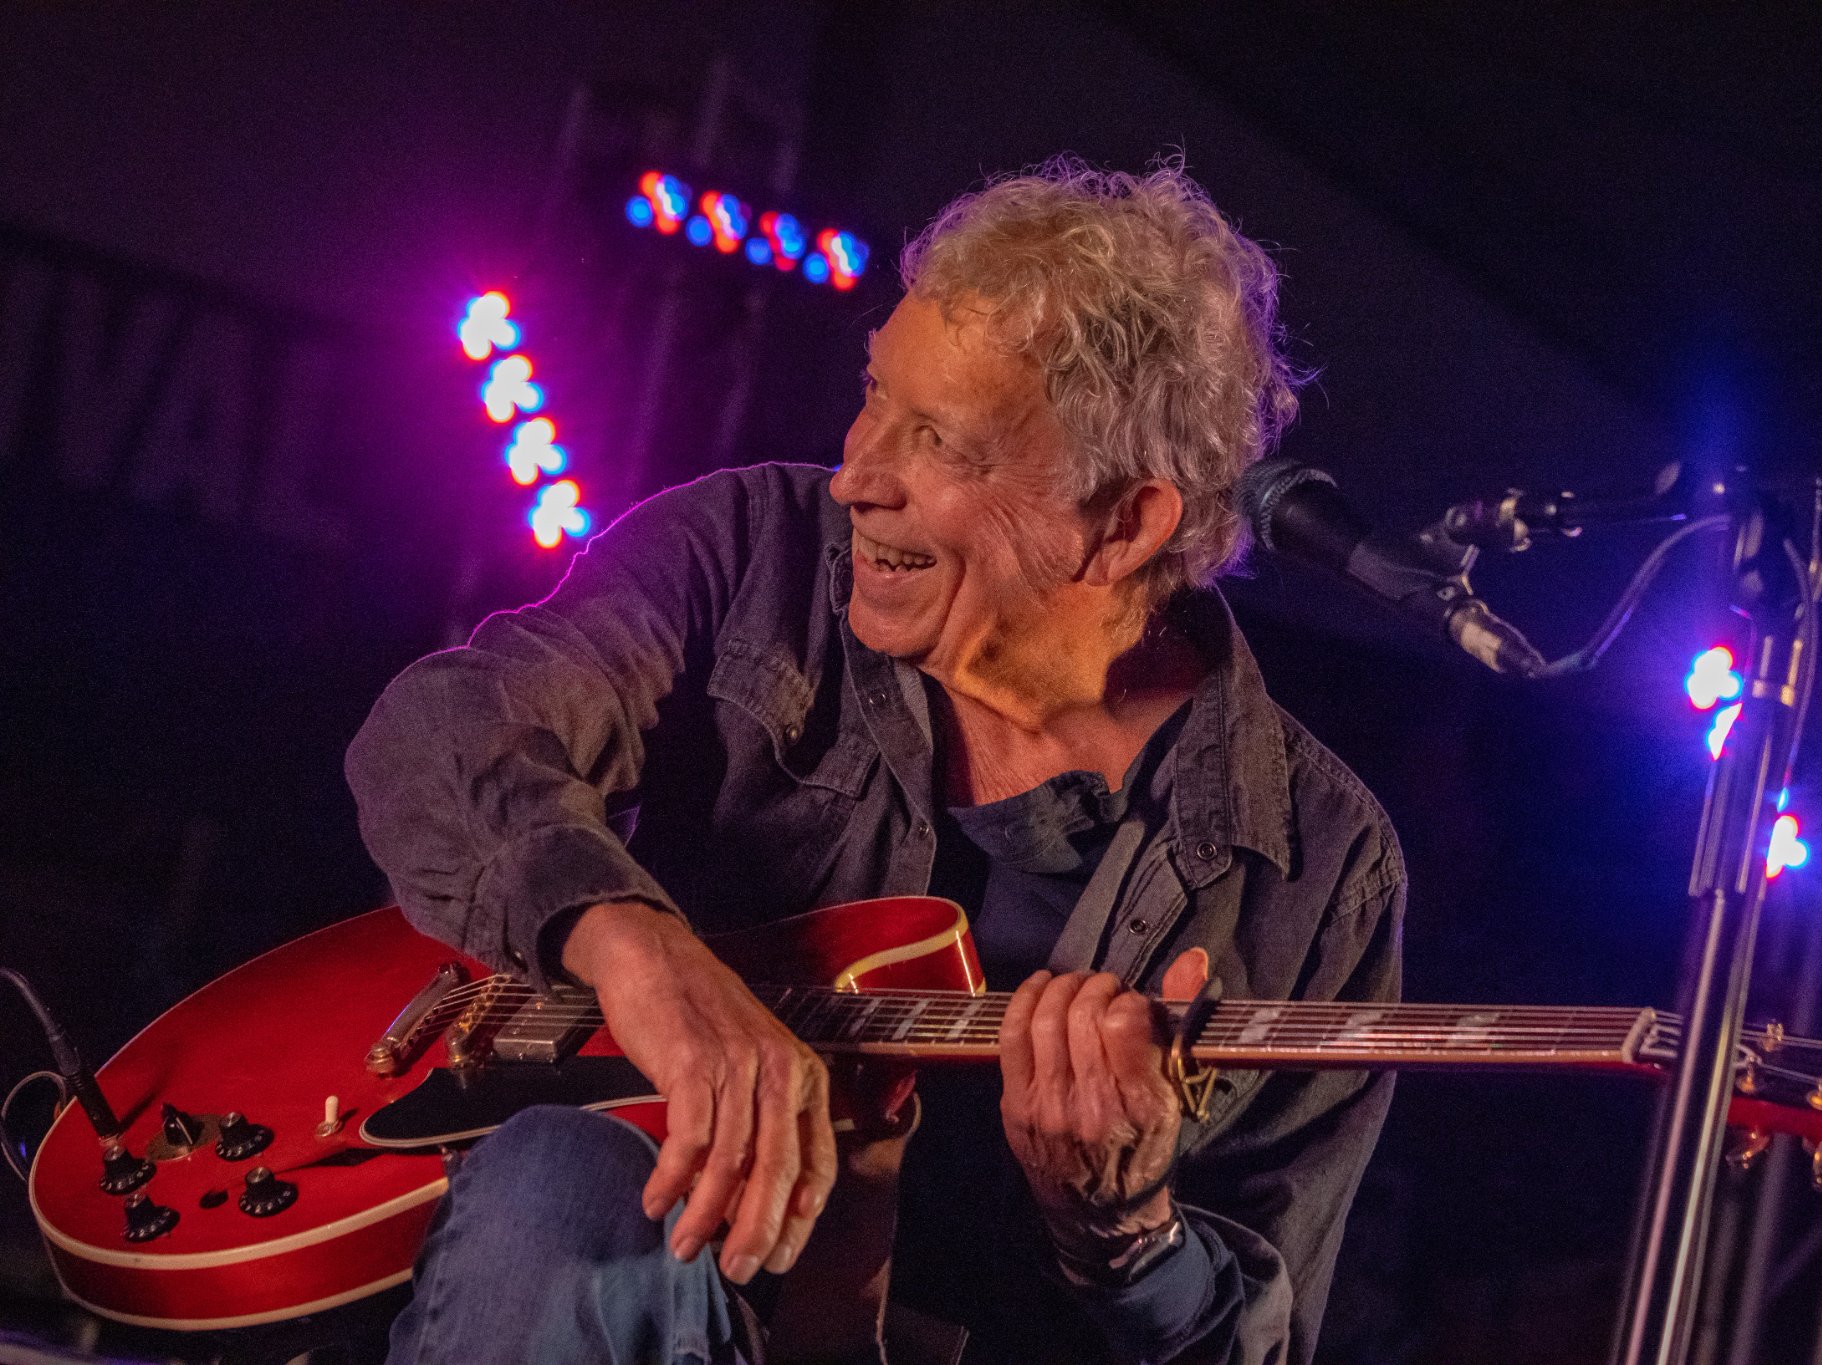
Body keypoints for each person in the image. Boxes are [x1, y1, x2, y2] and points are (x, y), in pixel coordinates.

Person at [346, 158, 1403, 1365]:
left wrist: (1120, 1236)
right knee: (556, 1176)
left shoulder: (1322, 862)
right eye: (872, 398)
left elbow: (1254, 1346)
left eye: (935, 442)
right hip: (665, 1317)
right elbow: (443, 730)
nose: (856, 472)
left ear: (1122, 524)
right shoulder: (750, 552)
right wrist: (644, 959)